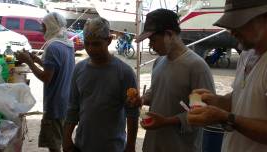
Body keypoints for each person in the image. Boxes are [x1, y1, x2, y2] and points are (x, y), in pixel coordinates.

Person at [187, 0, 267, 152]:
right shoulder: (247, 53)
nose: (232, 31)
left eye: (240, 22)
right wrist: (216, 101)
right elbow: (242, 100)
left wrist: (225, 117)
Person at [133, 9, 215, 152]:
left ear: (169, 34)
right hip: (153, 145)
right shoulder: (159, 62)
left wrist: (166, 122)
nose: (151, 45)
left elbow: (202, 113)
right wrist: (143, 99)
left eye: (153, 40)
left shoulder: (196, 67)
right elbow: (157, 91)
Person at [62, 17, 139, 152]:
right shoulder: (79, 69)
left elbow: (132, 114)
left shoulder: (124, 73)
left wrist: (131, 146)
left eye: (96, 44)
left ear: (109, 40)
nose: (91, 49)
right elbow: (73, 107)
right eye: (87, 43)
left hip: (113, 147)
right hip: (82, 145)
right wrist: (66, 138)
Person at [15, 12, 75, 152]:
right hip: (66, 101)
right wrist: (37, 61)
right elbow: (56, 69)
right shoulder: (68, 44)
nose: (42, 30)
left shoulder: (53, 47)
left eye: (44, 26)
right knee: (60, 140)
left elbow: (46, 78)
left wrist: (29, 62)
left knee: (54, 146)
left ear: (51, 26)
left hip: (55, 104)